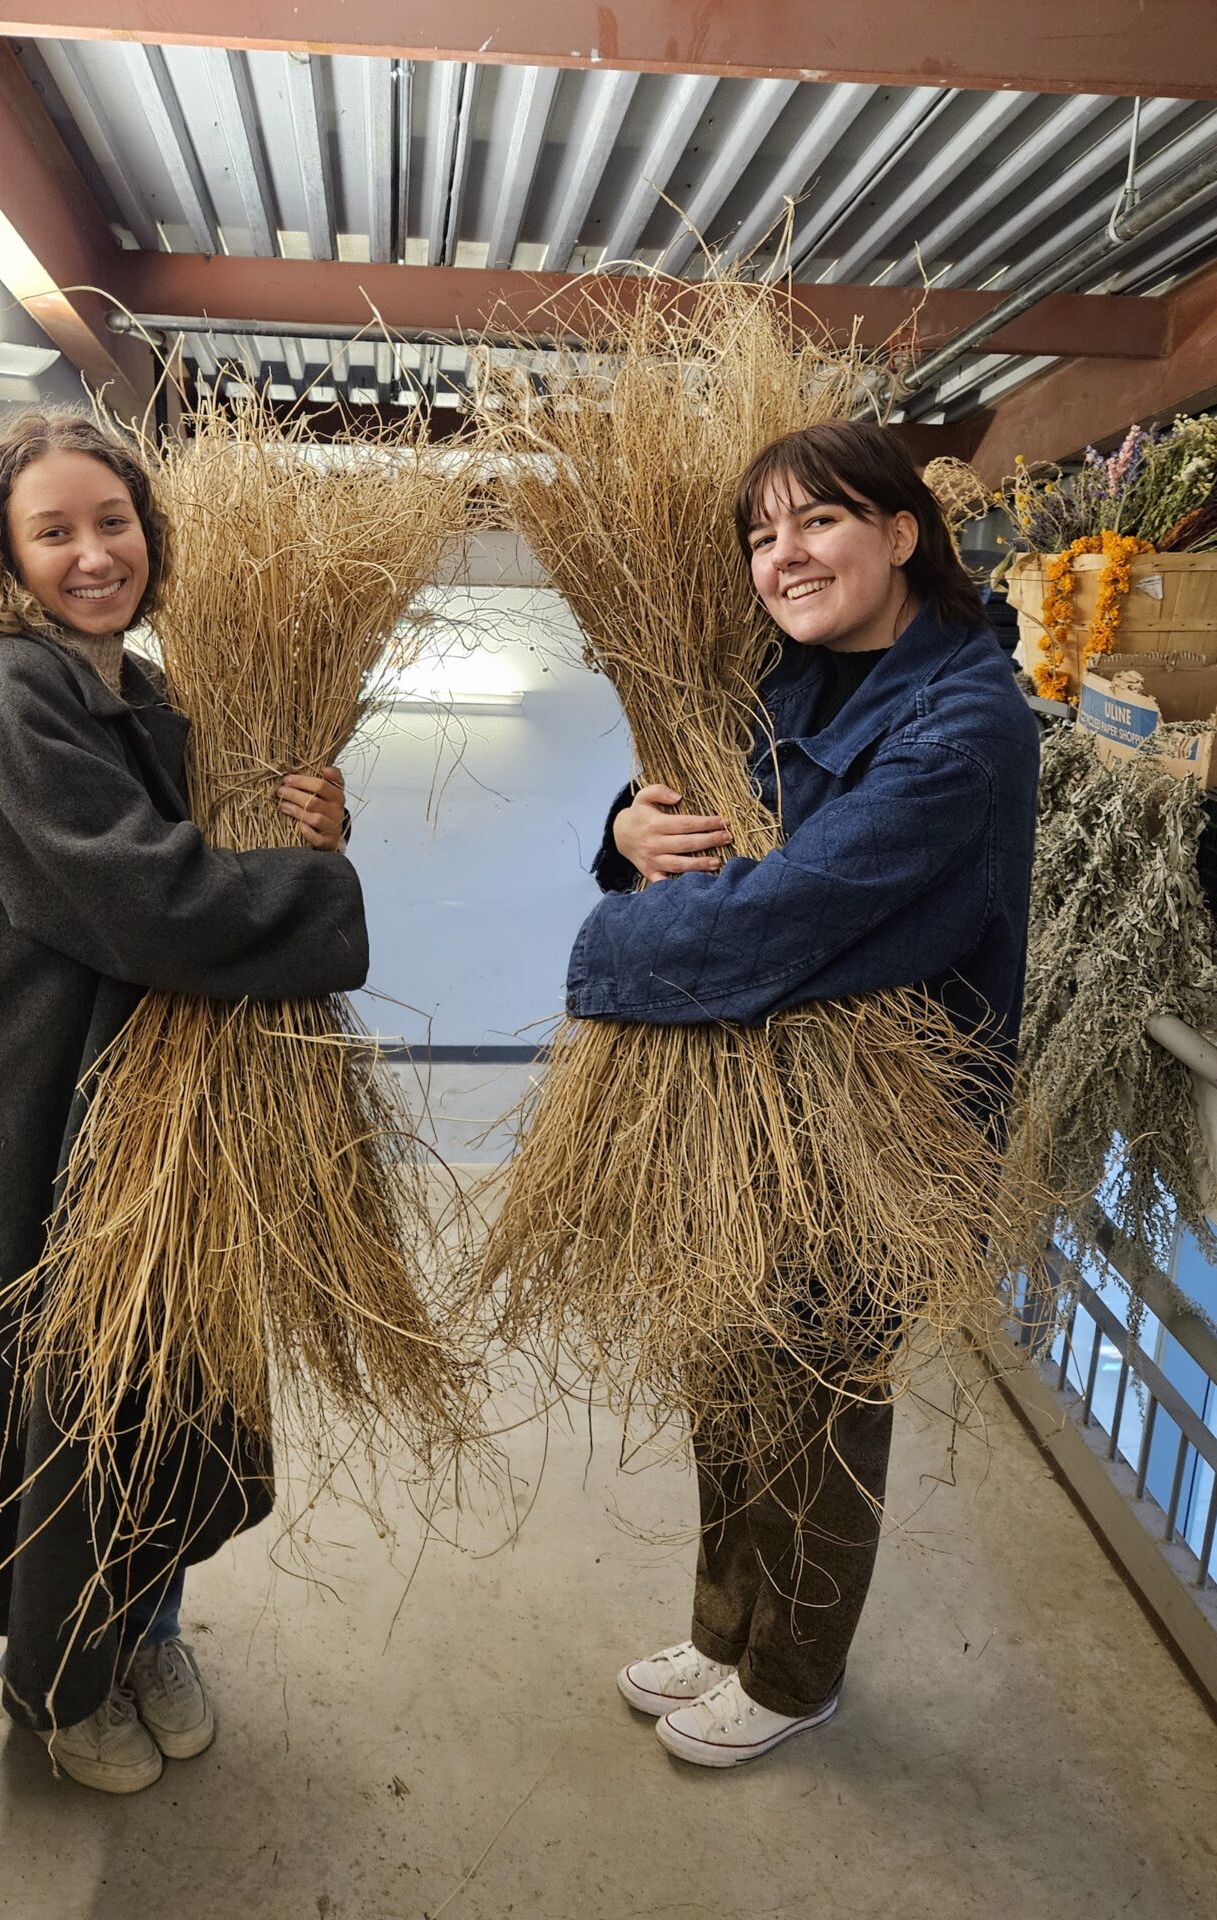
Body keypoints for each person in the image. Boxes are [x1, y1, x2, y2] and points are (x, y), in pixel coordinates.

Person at [571, 420, 1040, 1767]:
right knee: (729, 1362)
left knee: (824, 1394)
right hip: (753, 1091)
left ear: (901, 535)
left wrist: (600, 951)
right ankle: (723, 1630)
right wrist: (625, 831)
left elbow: (784, 913)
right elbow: (697, 797)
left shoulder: (965, 725)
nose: (786, 556)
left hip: (882, 1125)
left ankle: (793, 1676)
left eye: (819, 521)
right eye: (763, 534)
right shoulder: (789, 672)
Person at [0, 410, 364, 1794]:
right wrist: (326, 895)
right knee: (81, 1396)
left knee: (167, 1387)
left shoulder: (155, 687)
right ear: (3, 552)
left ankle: (148, 1626)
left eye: (114, 521)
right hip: (56, 1101)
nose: (94, 553)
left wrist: (307, 826)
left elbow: (207, 845)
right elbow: (136, 894)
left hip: (160, 1101)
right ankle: (59, 1685)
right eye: (54, 531)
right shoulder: (11, 691)